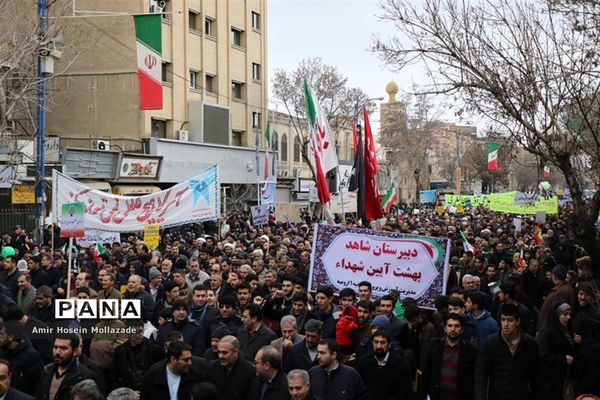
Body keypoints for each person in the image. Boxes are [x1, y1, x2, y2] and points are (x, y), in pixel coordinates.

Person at [475, 304, 539, 400]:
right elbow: (481, 374)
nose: (505, 324)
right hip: (498, 395)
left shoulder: (530, 344)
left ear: (518, 321)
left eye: (510, 320)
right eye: (503, 319)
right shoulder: (490, 343)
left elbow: (536, 376)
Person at [421, 313, 478, 400]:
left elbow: (474, 379)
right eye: (450, 325)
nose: (453, 329)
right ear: (445, 328)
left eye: (456, 326)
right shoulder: (434, 346)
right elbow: (426, 373)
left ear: (462, 329)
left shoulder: (471, 350)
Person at [37, 334, 98, 400]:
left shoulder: (85, 376)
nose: (57, 352)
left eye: (63, 348)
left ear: (75, 351)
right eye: (55, 347)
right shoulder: (46, 371)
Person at [355, 330, 413, 400]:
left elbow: (406, 392)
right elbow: (358, 387)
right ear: (372, 343)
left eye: (382, 342)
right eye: (376, 342)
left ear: (389, 344)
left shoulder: (402, 365)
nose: (379, 346)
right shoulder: (363, 362)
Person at [537, 302, 576, 400]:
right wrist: (563, 359)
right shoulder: (546, 333)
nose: (568, 317)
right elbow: (543, 356)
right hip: (550, 381)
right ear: (556, 315)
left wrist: (577, 341)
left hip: (563, 378)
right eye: (565, 314)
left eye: (569, 314)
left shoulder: (566, 329)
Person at [112, 319, 164, 391]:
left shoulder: (155, 349)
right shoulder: (120, 351)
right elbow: (114, 376)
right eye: (134, 332)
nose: (138, 335)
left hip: (149, 390)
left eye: (140, 331)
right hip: (127, 391)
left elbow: (160, 375)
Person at [205, 335, 256, 400]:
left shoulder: (249, 371)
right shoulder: (211, 367)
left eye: (224, 353)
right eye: (219, 352)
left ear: (236, 352)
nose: (220, 356)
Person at [538, 265, 576, 330]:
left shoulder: (561, 291)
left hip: (551, 330)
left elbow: (558, 314)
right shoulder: (564, 288)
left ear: (554, 276)